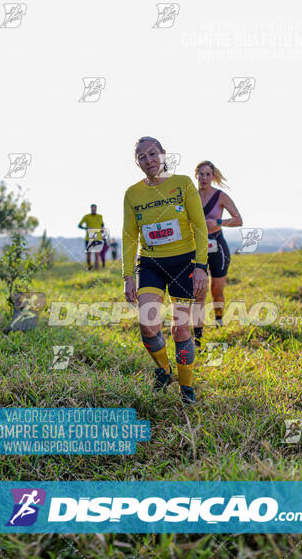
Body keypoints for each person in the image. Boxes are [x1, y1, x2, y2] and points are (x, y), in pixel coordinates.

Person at [122, 136, 208, 404]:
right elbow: (128, 236)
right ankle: (164, 370)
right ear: (137, 162)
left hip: (184, 263)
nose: (148, 160)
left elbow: (200, 227)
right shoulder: (132, 193)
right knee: (148, 324)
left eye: (152, 154)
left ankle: (186, 389)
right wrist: (127, 276)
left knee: (181, 330)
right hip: (150, 264)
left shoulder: (182, 184)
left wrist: (202, 267)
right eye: (141, 157)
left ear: (163, 154)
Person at [193, 161, 242, 348]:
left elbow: (239, 220)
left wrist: (219, 221)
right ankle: (197, 337)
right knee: (199, 292)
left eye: (207, 174)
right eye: (201, 174)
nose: (204, 178)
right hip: (198, 247)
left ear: (213, 176)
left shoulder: (220, 196)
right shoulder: (192, 196)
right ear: (196, 175)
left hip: (217, 246)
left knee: (216, 291)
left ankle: (219, 321)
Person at [78, 204, 105, 270]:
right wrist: (86, 228)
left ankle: (96, 269)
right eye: (92, 209)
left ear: (96, 209)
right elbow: (79, 225)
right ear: (90, 209)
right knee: (88, 255)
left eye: (95, 209)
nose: (93, 210)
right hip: (89, 238)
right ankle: (89, 267)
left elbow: (102, 225)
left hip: (98, 238)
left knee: (97, 254)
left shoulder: (100, 216)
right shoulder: (86, 217)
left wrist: (102, 234)